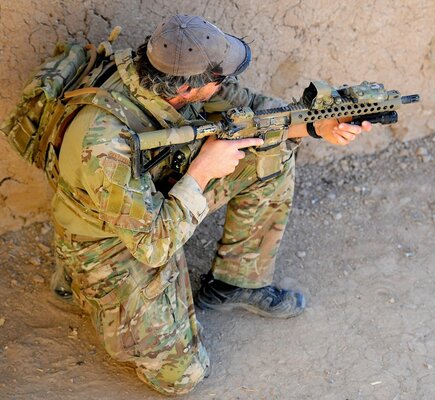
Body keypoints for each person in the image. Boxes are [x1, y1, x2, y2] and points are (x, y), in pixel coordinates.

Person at [50, 14, 371, 395]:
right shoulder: (104, 140)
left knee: (271, 151)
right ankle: (81, 278)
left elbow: (255, 111)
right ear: (187, 88)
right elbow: (153, 246)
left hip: (150, 198)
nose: (226, 83)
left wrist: (320, 126)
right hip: (109, 237)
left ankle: (234, 284)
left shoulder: (164, 70)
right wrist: (202, 172)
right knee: (180, 376)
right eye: (219, 78)